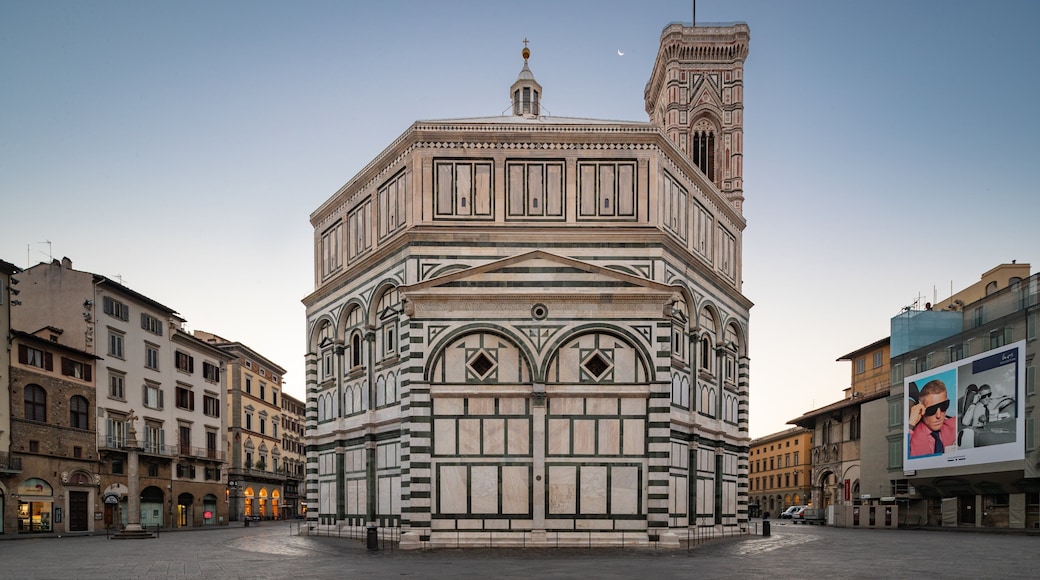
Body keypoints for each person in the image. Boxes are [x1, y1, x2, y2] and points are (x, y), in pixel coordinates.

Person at [908, 379, 956, 457]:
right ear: (921, 408)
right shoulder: (911, 437)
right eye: (932, 409)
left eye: (944, 406)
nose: (939, 415)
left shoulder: (954, 424)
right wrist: (911, 424)